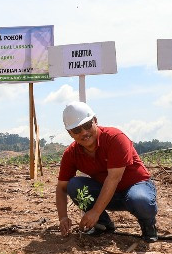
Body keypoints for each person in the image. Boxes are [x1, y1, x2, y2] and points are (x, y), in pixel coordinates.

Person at [56, 101, 159, 241]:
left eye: (87, 126)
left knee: (140, 200)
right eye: (77, 130)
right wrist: (63, 217)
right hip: (109, 194)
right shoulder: (71, 153)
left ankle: (148, 225)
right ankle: (102, 224)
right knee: (74, 185)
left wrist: (95, 211)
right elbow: (62, 188)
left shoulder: (115, 138)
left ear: (95, 121)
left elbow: (113, 178)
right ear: (70, 133)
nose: (84, 133)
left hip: (136, 188)